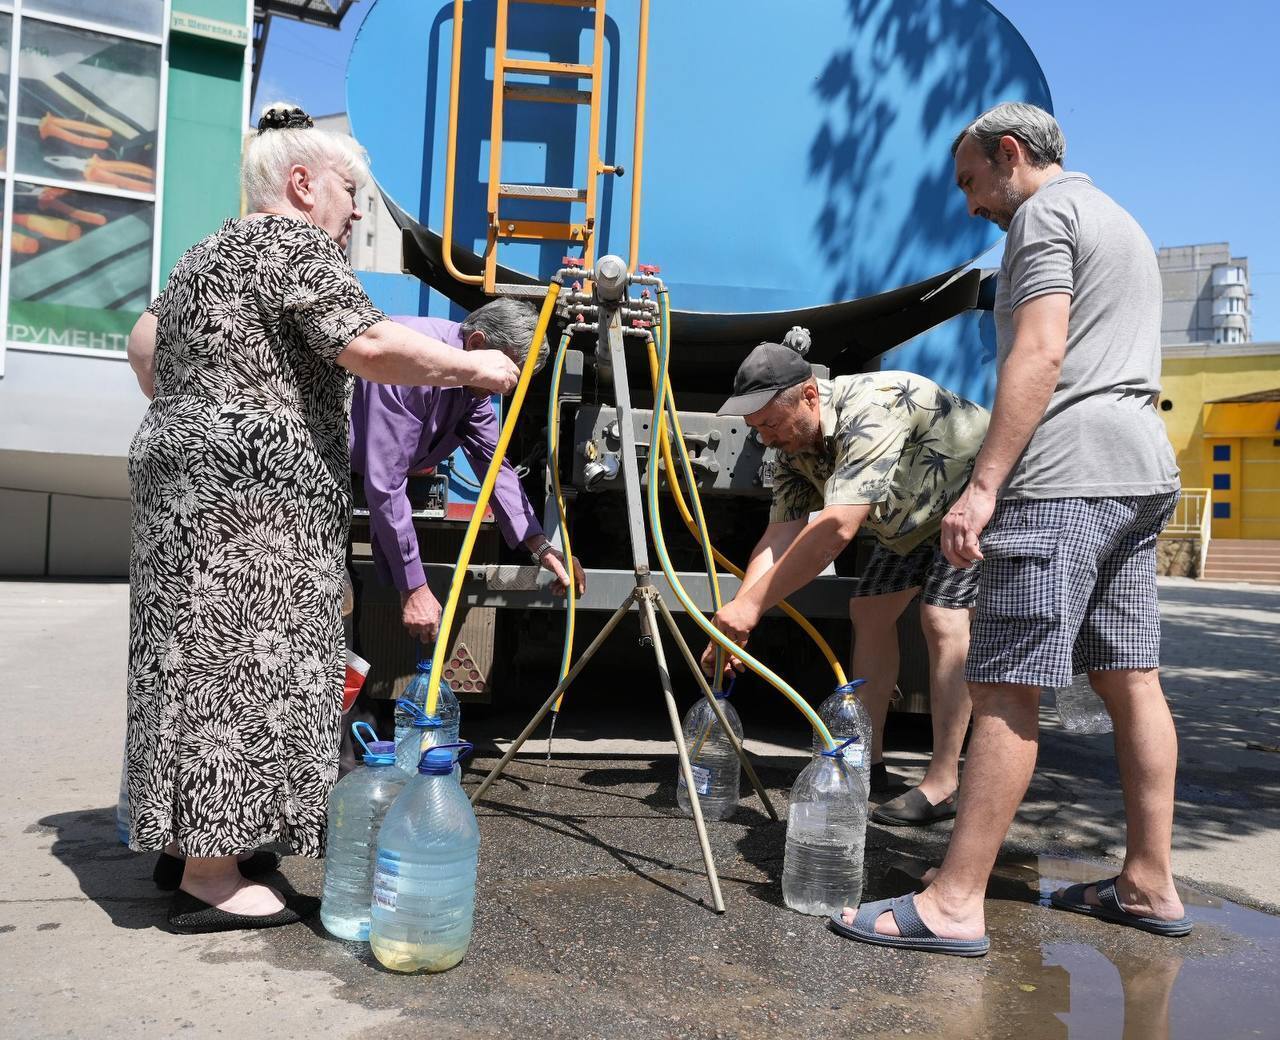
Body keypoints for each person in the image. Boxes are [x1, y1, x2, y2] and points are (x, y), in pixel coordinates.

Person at [124, 102, 519, 934]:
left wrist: (201, 417)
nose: (353, 213)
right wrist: (472, 366)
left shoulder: (206, 252)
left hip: (186, 489)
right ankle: (210, 874)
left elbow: (144, 344)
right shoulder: (290, 242)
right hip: (253, 507)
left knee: (188, 663)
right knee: (242, 667)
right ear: (301, 185)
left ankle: (193, 843)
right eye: (349, 192)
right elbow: (369, 346)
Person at [832, 102, 1188, 955]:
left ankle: (955, 901)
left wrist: (984, 484)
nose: (970, 206)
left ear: (1011, 154)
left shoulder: (1044, 215)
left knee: (1003, 685)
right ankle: (1148, 880)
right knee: (1132, 679)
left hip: (1067, 475)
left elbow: (1039, 351)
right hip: (1141, 468)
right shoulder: (1122, 221)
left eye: (970, 182)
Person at [703, 341, 989, 823]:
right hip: (913, 521)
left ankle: (944, 783)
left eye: (771, 423)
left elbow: (834, 530)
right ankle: (868, 762)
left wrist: (751, 609)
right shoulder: (791, 447)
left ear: (810, 396)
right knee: (869, 610)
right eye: (756, 429)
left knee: (941, 618)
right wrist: (738, 618)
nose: (766, 438)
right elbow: (778, 537)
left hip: (974, 500)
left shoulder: (871, 406)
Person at [349, 298, 586, 648]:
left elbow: (495, 465)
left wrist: (542, 546)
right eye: (505, 374)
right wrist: (414, 587)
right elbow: (386, 485)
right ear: (476, 345)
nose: (504, 388)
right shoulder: (410, 362)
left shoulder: (471, 386)